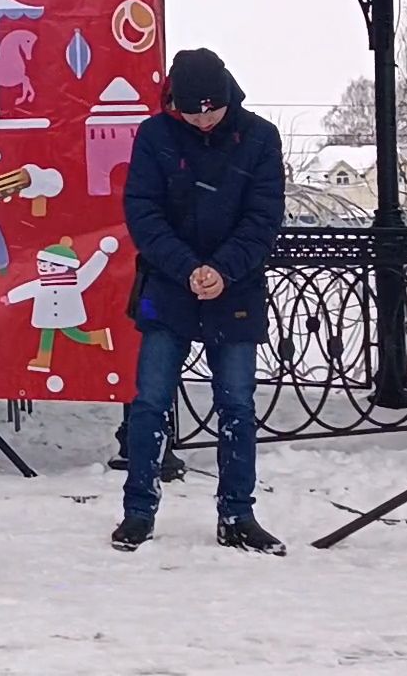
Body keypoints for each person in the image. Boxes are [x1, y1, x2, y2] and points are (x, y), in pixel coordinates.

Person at [113, 48, 286, 556]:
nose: (204, 120)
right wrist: (187, 268)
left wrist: (222, 269)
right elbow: (143, 213)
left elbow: (263, 218)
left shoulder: (260, 137)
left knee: (237, 404)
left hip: (237, 288)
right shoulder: (155, 136)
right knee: (149, 402)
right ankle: (138, 511)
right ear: (175, 103)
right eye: (193, 112)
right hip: (168, 286)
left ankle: (238, 514)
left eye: (213, 110)